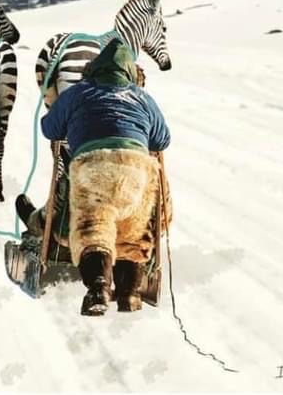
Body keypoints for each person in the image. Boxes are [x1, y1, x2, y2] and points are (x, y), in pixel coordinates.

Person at [16, 37, 171, 316]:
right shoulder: (142, 98)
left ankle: (98, 288)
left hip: (93, 168)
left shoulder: (78, 92)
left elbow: (49, 129)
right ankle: (129, 294)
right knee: (132, 236)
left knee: (93, 231)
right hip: (136, 172)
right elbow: (162, 140)